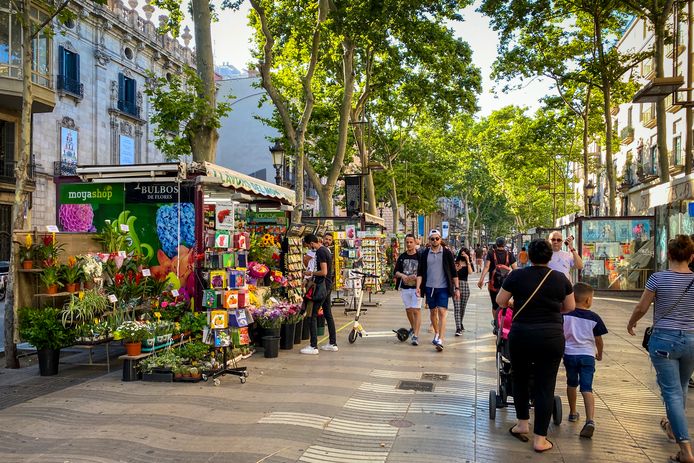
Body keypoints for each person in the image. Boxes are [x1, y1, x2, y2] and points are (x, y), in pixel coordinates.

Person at [496, 238, 575, 453]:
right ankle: (540, 439)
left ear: (528, 256)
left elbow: (501, 301)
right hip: (550, 337)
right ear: (550, 257)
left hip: (521, 335)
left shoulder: (517, 275)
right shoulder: (560, 278)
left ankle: (522, 424)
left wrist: (515, 302)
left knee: (519, 378)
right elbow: (570, 307)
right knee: (545, 385)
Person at [627, 235, 694, 463]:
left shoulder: (658, 278)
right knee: (681, 386)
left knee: (672, 392)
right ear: (691, 257)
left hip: (664, 341)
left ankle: (685, 449)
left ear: (669, 255)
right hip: (692, 341)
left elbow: (642, 306)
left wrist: (631, 322)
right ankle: (673, 429)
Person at [562, 282, 607, 439]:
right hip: (587, 356)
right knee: (587, 388)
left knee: (571, 383)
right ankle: (590, 420)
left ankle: (573, 412)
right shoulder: (594, 318)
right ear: (588, 300)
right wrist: (599, 354)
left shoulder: (565, 315)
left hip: (569, 355)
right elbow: (599, 340)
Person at [416, 229, 459, 352]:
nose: (435, 241)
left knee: (442, 312)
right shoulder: (424, 254)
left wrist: (457, 288)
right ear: (429, 240)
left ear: (440, 239)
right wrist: (418, 287)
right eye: (432, 239)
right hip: (429, 287)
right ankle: (436, 332)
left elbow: (453, 272)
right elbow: (420, 272)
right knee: (433, 312)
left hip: (444, 288)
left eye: (437, 238)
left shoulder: (447, 253)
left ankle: (441, 338)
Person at [300, 234, 338, 355]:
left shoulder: (320, 252)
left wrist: (310, 273)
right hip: (327, 286)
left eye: (308, 246)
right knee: (328, 314)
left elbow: (324, 271)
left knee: (312, 315)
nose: (308, 248)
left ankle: (313, 346)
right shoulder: (325, 250)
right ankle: (332, 343)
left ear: (311, 243)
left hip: (321, 287)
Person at [478, 237, 517, 332]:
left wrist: (481, 279)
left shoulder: (491, 253)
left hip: (493, 284)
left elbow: (487, 266)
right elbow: (515, 269)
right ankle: (503, 323)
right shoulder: (510, 254)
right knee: (505, 304)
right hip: (506, 285)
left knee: (495, 305)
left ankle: (496, 324)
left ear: (496, 243)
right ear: (504, 244)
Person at [394, 234, 421, 346]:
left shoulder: (420, 257)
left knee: (416, 310)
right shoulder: (402, 257)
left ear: (415, 243)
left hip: (416, 288)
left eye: (411, 242)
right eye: (407, 242)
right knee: (409, 310)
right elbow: (396, 272)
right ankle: (414, 328)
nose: (409, 244)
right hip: (405, 288)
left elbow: (424, 272)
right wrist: (403, 276)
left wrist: (417, 277)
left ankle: (415, 335)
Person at [453, 251, 472, 335]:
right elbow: (452, 274)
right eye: (462, 254)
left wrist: (468, 260)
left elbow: (470, 272)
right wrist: (456, 269)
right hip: (456, 286)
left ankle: (460, 323)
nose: (463, 255)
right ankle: (458, 328)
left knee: (462, 308)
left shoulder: (468, 263)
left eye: (465, 254)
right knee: (457, 308)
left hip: (465, 286)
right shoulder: (456, 263)